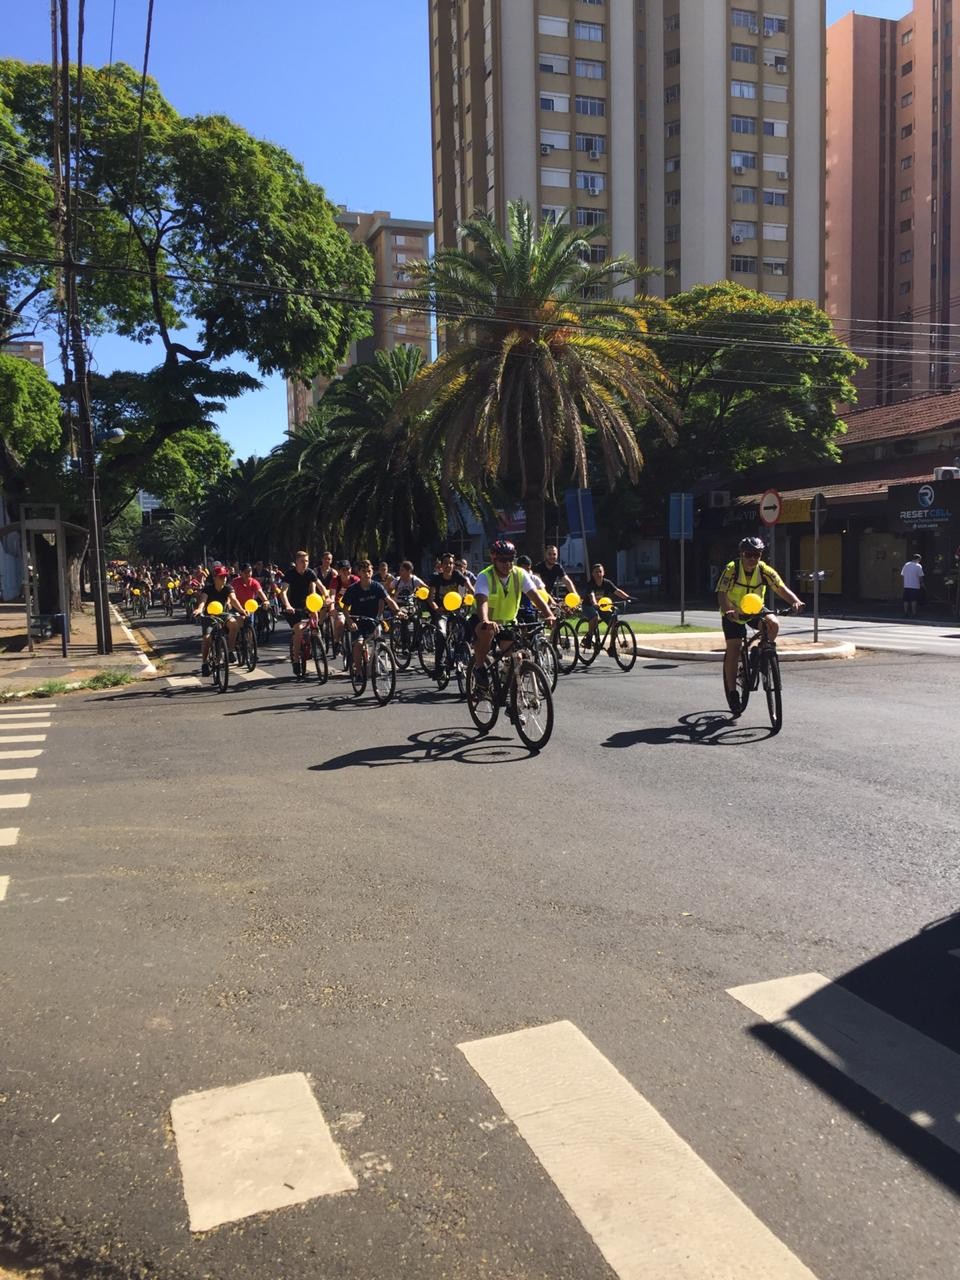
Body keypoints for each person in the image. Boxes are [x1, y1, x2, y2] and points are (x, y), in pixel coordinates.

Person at [717, 535, 804, 712]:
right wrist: (728, 610)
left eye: (757, 555)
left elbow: (780, 587)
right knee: (734, 648)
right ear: (741, 554)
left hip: (755, 609)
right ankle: (733, 691)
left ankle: (763, 654)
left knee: (773, 624)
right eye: (749, 554)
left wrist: (795, 601)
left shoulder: (764, 570)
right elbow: (721, 593)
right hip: (734, 611)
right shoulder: (731, 569)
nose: (752, 559)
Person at [470, 539, 555, 676]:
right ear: (494, 559)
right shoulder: (484, 576)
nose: (508, 564)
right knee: (487, 632)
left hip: (507, 623)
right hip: (484, 621)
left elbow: (535, 596)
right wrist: (486, 621)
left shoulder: (520, 574)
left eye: (511, 559)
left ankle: (506, 679)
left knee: (517, 658)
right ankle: (479, 669)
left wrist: (548, 614)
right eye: (503, 560)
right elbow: (482, 602)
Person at [341, 559, 401, 676]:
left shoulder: (377, 586)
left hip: (373, 620)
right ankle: (358, 671)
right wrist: (349, 620)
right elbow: (345, 608)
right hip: (357, 622)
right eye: (364, 571)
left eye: (369, 571)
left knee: (379, 637)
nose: (367, 574)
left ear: (372, 572)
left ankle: (376, 661)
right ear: (359, 573)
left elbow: (388, 600)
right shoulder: (352, 589)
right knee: (359, 644)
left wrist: (398, 611)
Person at [280, 550, 327, 677]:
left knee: (315, 621)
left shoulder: (310, 573)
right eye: (302, 561)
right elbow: (283, 592)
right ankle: (296, 661)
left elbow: (321, 586)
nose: (305, 563)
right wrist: (288, 605)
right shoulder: (290, 574)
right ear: (296, 562)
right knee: (299, 630)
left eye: (306, 561)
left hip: (308, 605)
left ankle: (316, 643)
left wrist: (326, 596)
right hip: (293, 608)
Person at [193, 564, 245, 675]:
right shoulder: (208, 589)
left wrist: (241, 610)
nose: (224, 579)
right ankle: (205, 663)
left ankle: (230, 651)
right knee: (207, 638)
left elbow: (234, 600)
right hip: (210, 616)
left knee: (234, 624)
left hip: (223, 614)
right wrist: (199, 609)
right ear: (214, 578)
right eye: (221, 577)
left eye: (225, 576)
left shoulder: (228, 588)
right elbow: (203, 600)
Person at [580, 563, 630, 649]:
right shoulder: (591, 584)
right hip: (588, 606)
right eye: (596, 572)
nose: (598, 574)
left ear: (603, 573)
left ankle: (612, 647)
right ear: (592, 574)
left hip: (603, 606)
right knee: (594, 617)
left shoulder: (607, 583)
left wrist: (628, 597)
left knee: (614, 621)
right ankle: (589, 638)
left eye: (600, 571)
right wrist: (595, 603)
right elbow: (591, 595)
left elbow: (617, 591)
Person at [900, 553, 924, 617]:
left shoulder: (906, 565)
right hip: (915, 585)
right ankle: (914, 613)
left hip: (906, 585)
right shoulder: (918, 566)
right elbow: (920, 576)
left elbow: (902, 575)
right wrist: (921, 583)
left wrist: (904, 583)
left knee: (906, 600)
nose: (920, 560)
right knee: (914, 600)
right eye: (920, 559)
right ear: (918, 559)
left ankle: (905, 612)